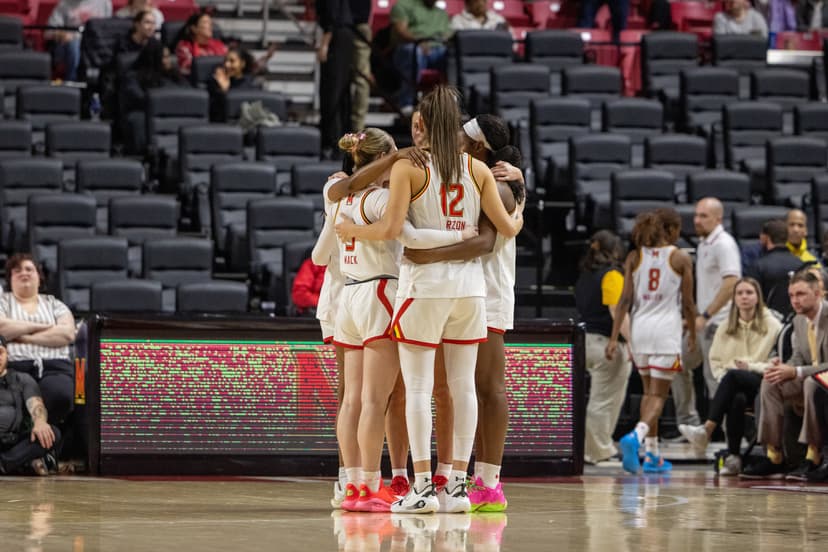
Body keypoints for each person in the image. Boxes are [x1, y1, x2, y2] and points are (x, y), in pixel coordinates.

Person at [335, 86, 523, 513]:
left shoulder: (409, 168)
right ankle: (456, 487)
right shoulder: (477, 168)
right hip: (470, 290)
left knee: (418, 389)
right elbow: (507, 229)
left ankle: (421, 488)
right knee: (462, 388)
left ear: (420, 125)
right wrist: (520, 205)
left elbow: (393, 230)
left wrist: (354, 231)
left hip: (424, 289)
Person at [332, 129, 476, 512]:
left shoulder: (340, 193)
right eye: (395, 155)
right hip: (378, 291)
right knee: (375, 400)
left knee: (352, 399)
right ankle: (369, 485)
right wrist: (459, 233)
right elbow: (407, 234)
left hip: (348, 295)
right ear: (384, 158)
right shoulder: (383, 199)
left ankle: (352, 484)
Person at [404, 114, 525, 512]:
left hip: (486, 292)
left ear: (475, 146)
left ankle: (489, 482)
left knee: (487, 388)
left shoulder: (498, 185)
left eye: (458, 136)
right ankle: (452, 473)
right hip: (458, 290)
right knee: (452, 389)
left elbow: (485, 242)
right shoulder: (468, 176)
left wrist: (427, 255)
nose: (451, 140)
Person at [607, 209, 697, 475]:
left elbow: (624, 300)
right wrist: (692, 333)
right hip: (666, 330)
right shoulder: (680, 257)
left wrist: (614, 337)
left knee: (648, 394)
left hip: (640, 330)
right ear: (671, 230)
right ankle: (636, 436)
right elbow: (688, 304)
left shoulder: (635, 257)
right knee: (658, 395)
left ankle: (652, 454)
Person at [678, 278, 782, 475]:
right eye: (739, 293)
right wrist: (723, 378)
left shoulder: (773, 325)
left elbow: (776, 362)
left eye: (749, 292)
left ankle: (707, 429)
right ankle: (734, 457)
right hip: (733, 384)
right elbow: (715, 361)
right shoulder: (725, 327)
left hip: (764, 381)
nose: (744, 297)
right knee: (736, 397)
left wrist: (750, 367)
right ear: (734, 298)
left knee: (734, 376)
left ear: (758, 297)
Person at [741, 269, 828, 479]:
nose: (795, 300)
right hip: (812, 378)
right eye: (791, 295)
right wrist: (782, 368)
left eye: (801, 294)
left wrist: (796, 371)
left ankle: (814, 455)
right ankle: (774, 455)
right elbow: (797, 357)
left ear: (818, 294)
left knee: (811, 382)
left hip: (820, 379)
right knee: (771, 381)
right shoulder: (798, 320)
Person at [0, 254, 77, 432]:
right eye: (17, 270)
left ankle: (46, 439)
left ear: (39, 277)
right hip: (15, 368)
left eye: (29, 269)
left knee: (61, 396)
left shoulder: (54, 303)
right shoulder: (3, 302)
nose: (24, 273)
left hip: (55, 368)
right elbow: (2, 328)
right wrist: (44, 327)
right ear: (10, 278)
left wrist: (22, 336)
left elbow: (67, 334)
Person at [576, 230, 632, 466]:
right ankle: (598, 451)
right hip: (606, 345)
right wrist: (631, 342)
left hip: (584, 343)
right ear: (615, 250)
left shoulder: (584, 275)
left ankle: (594, 447)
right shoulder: (612, 275)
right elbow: (616, 311)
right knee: (604, 400)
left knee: (597, 399)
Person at [694, 197, 742, 398]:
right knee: (677, 364)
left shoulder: (724, 244)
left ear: (718, 219)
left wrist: (706, 315)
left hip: (718, 322)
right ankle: (688, 414)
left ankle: (722, 419)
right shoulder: (704, 243)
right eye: (696, 215)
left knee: (714, 378)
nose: (697, 220)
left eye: (703, 216)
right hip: (703, 321)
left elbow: (731, 283)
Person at [0, 337, 61, 475]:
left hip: (13, 442)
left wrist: (40, 422)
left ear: (7, 354)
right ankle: (19, 465)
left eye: (0, 352)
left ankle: (4, 464)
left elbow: (36, 405)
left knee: (52, 433)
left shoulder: (21, 379)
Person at [120, 40, 185, 154]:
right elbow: (139, 98)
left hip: (174, 114)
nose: (168, 61)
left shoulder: (174, 75)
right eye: (164, 57)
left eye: (169, 56)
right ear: (154, 58)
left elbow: (189, 94)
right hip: (146, 113)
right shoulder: (133, 77)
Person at [390, 0, 452, 117]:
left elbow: (447, 35)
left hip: (438, 49)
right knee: (414, 51)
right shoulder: (403, 5)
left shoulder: (442, 13)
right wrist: (419, 42)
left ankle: (452, 101)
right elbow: (401, 30)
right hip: (411, 46)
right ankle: (406, 103)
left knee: (452, 55)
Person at [746, 219, 802, 317]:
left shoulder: (757, 266)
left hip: (768, 321)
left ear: (765, 237)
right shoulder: (802, 264)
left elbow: (751, 299)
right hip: (798, 320)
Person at [47, 0, 113, 81]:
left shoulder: (104, 3)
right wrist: (62, 34)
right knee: (74, 44)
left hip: (95, 43)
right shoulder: (64, 4)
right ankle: (71, 81)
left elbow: (109, 30)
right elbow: (49, 31)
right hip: (70, 43)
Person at [207, 47, 258, 121]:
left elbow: (238, 108)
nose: (227, 65)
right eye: (225, 61)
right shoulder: (217, 81)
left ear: (242, 64)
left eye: (232, 61)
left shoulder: (250, 84)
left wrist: (225, 91)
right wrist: (218, 89)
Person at [175, 10, 227, 76]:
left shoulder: (219, 44)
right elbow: (190, 68)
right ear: (194, 28)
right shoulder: (184, 46)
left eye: (210, 22)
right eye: (205, 22)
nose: (210, 25)